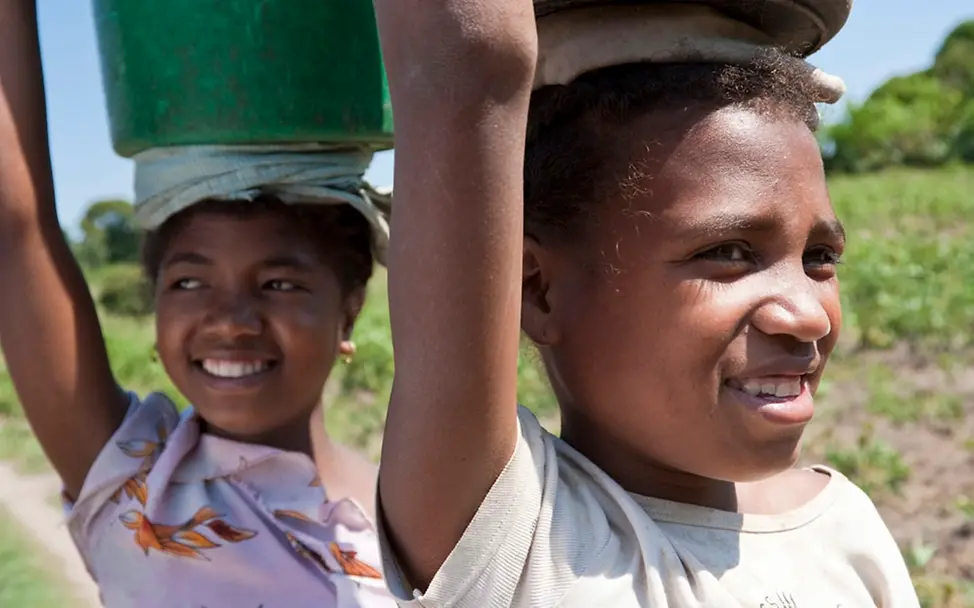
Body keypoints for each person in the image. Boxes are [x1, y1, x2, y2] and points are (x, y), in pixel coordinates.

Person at [372, 0, 921, 605]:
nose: (810, 315)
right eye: (730, 252)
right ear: (536, 288)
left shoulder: (843, 531)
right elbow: (465, 63)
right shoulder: (515, 542)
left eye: (819, 258)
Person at [0, 3, 395, 606]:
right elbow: (14, 231)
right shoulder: (134, 486)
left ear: (351, 309)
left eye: (279, 284)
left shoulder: (413, 521)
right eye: (188, 283)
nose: (231, 320)